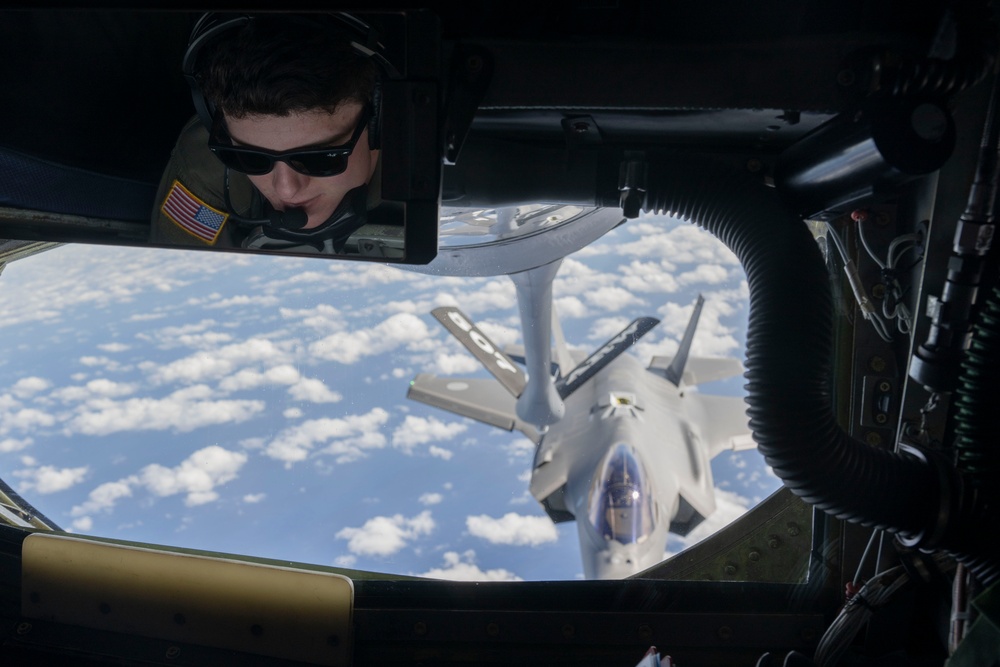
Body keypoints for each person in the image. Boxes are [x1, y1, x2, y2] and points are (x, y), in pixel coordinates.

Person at [151, 13, 394, 255]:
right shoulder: (209, 162)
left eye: (318, 159)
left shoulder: (429, 168)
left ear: (378, 121)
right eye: (252, 158)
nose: (285, 190)